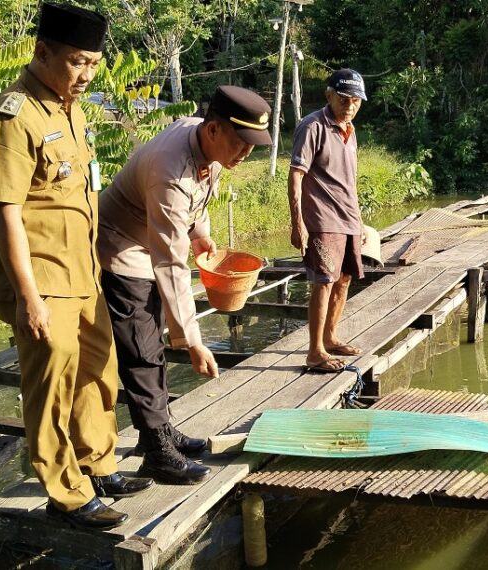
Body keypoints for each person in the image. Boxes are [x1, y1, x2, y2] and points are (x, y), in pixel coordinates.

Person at [0, 3, 153, 530]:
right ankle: (65, 491)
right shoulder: (14, 115)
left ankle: (98, 463)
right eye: (78, 63)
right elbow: (6, 211)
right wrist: (27, 295)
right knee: (52, 380)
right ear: (42, 51)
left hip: (81, 272)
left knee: (100, 369)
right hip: (40, 276)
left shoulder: (68, 107)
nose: (86, 76)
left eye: (94, 65)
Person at [97, 86, 272, 484]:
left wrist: (200, 233)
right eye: (241, 142)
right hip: (121, 249)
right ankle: (157, 452)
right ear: (212, 130)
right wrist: (192, 339)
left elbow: (199, 200)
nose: (245, 153)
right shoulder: (169, 170)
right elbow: (170, 262)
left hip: (149, 242)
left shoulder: (207, 148)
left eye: (252, 145)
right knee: (141, 348)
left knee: (151, 342)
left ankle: (159, 432)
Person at [288, 69, 367, 372]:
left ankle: (330, 337)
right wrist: (298, 223)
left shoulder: (350, 129)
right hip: (322, 219)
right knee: (324, 281)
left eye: (356, 100)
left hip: (348, 218)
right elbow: (296, 175)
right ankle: (315, 351)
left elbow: (347, 181)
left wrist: (358, 222)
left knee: (344, 278)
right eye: (344, 98)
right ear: (329, 95)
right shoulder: (312, 126)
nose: (350, 105)